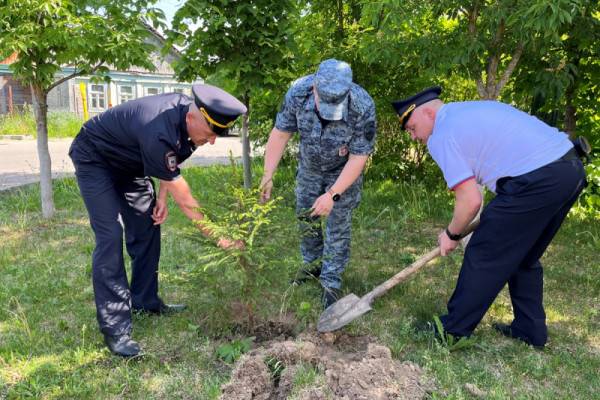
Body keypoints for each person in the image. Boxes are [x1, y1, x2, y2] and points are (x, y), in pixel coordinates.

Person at [391, 87, 587, 349]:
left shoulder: (442, 134)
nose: (414, 137)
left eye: (413, 128)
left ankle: (451, 331)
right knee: (525, 256)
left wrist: (451, 234)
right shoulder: (470, 110)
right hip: (569, 169)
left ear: (428, 112)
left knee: (484, 252)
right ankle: (530, 330)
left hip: (536, 180)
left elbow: (470, 201)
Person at [69, 84, 246, 357]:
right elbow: (187, 202)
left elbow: (169, 163)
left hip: (132, 164)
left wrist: (162, 197)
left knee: (148, 224)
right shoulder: (158, 127)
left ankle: (145, 301)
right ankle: (116, 329)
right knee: (110, 236)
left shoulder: (192, 124)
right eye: (211, 134)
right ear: (192, 118)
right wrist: (221, 237)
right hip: (96, 159)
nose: (211, 141)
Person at [260, 59, 377, 309]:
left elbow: (358, 157)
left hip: (343, 171)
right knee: (306, 216)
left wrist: (333, 194)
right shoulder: (298, 93)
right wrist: (267, 175)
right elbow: (281, 133)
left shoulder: (362, 105)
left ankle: (331, 281)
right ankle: (312, 266)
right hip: (310, 168)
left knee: (338, 224)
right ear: (314, 87)